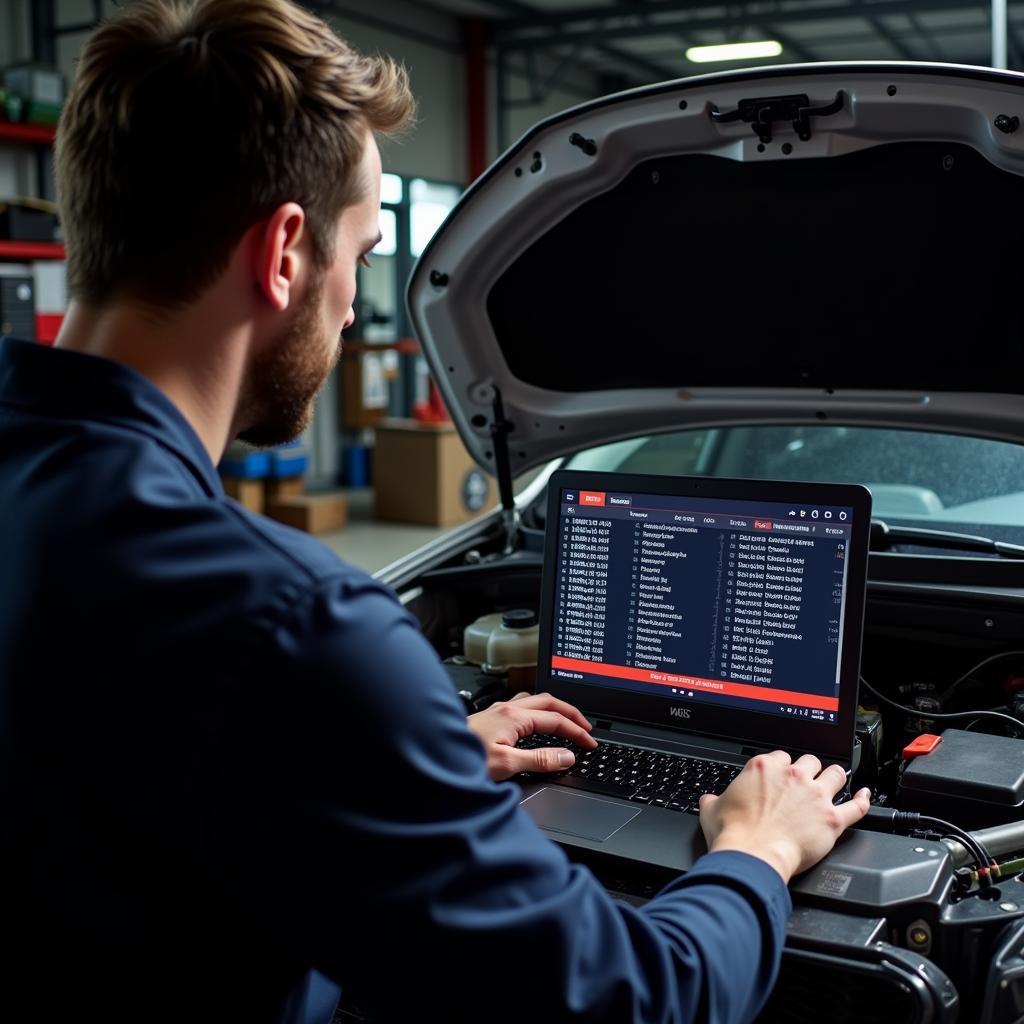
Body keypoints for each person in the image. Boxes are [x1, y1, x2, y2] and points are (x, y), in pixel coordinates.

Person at [0, 2, 871, 1022]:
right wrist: (758, 849)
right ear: (285, 253)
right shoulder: (295, 632)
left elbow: (131, 766)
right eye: (362, 254)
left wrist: (418, 759)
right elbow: (630, 1002)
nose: (347, 296)